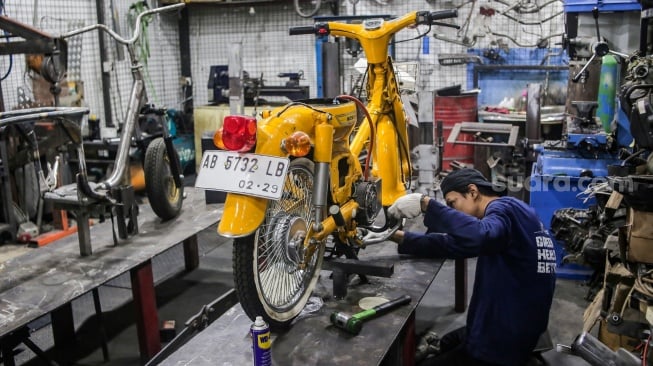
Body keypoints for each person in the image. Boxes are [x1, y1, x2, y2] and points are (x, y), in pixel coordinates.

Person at [387, 168, 557, 366]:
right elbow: (453, 244)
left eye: (452, 203)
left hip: (502, 344)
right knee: (447, 341)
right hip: (519, 329)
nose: (452, 210)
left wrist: (427, 204)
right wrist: (400, 238)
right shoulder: (520, 213)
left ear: (473, 192)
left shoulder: (503, 208)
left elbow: (480, 234)